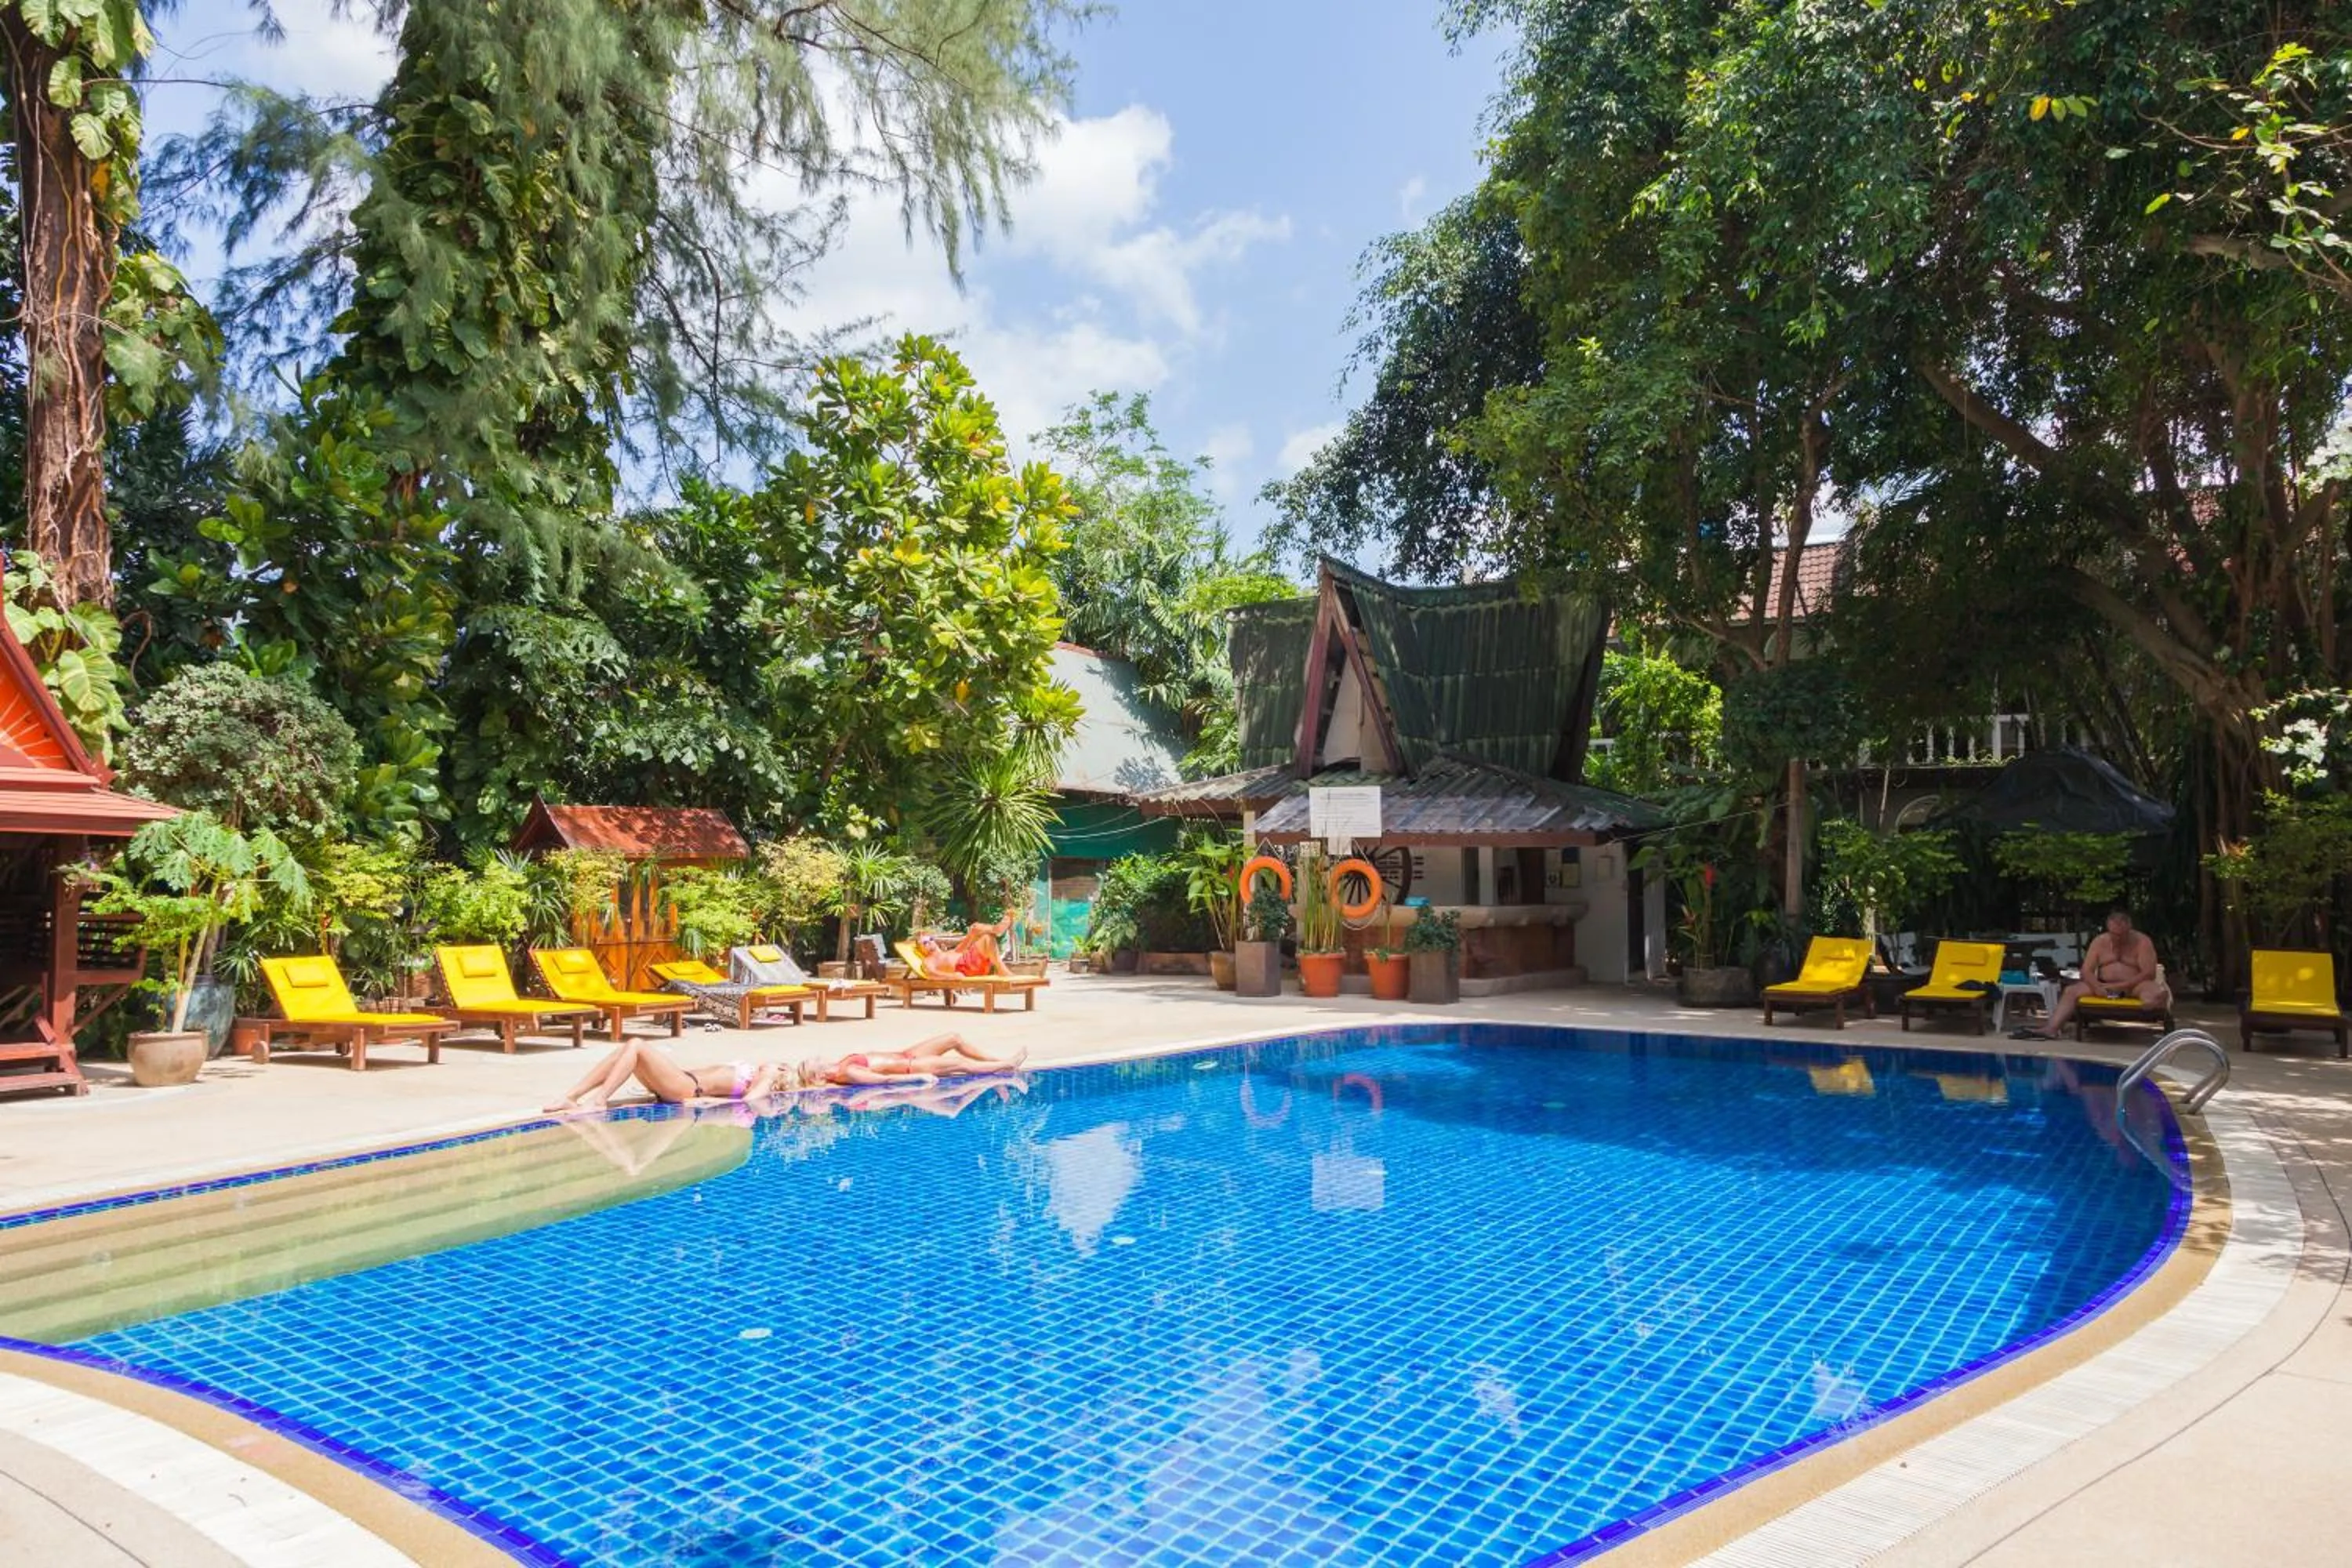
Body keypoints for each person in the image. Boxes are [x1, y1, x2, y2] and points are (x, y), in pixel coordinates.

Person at [2021, 907, 2169, 1040]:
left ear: (2129, 928)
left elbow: (2148, 973)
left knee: (2151, 990)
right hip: (2104, 985)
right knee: (2071, 991)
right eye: (2113, 934)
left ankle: (2153, 1003)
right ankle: (2051, 1029)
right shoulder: (2100, 941)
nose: (2117, 938)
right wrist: (2096, 986)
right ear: (2108, 928)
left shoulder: (2142, 942)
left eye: (2121, 935)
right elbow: (2086, 970)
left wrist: (2122, 985)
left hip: (2134, 986)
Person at [544, 1040, 784, 1114]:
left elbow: (750, 1101)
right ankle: (571, 1096)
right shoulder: (767, 1073)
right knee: (626, 1050)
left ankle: (598, 1100)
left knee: (637, 1046)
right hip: (683, 1080)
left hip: (687, 1088)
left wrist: (770, 1076)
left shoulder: (770, 1079)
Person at [800, 1033, 1028, 1087]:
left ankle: (996, 1062)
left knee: (953, 1038)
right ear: (819, 1076)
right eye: (812, 1064)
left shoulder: (841, 1066)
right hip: (912, 1066)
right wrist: (919, 1077)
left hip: (906, 1054)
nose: (816, 1059)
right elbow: (883, 1081)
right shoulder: (846, 1073)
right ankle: (1007, 1065)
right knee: (961, 1064)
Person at [916, 914, 1012, 978]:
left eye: (930, 939)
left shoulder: (947, 953)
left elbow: (960, 949)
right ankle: (1001, 970)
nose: (929, 942)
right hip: (965, 968)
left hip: (971, 962)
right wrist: (952, 977)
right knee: (987, 938)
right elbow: (931, 973)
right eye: (924, 942)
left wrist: (971, 935)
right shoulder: (929, 960)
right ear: (921, 950)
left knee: (976, 928)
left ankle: (996, 929)